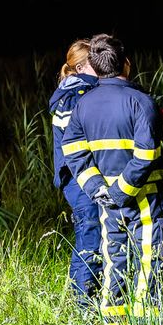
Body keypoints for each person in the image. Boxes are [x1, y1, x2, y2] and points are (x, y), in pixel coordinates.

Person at [61, 34, 163, 325]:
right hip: (145, 200)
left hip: (108, 204)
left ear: (97, 68)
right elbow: (147, 154)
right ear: (126, 63)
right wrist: (121, 191)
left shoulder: (82, 106)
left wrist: (99, 190)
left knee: (115, 263)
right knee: (152, 262)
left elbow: (73, 153)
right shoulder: (142, 101)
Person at [49, 38, 101, 307]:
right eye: (96, 62)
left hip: (83, 177)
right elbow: (77, 144)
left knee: (93, 235)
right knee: (90, 235)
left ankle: (86, 296)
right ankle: (83, 304)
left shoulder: (78, 91)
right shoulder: (72, 96)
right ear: (80, 67)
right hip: (78, 178)